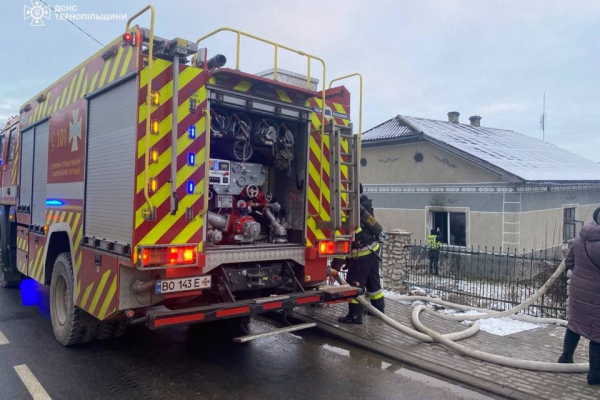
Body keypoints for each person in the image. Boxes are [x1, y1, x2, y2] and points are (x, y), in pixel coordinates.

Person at [557, 207, 600, 385]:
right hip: (597, 294)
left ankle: (565, 359)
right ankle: (595, 376)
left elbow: (569, 262)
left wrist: (583, 276)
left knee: (574, 324)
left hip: (577, 289)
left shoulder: (580, 238)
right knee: (597, 334)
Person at [332, 183, 385, 324]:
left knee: (354, 283)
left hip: (363, 251)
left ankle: (355, 315)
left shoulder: (351, 211)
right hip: (372, 248)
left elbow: (343, 241)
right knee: (372, 282)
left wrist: (335, 266)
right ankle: (378, 310)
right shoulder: (365, 205)